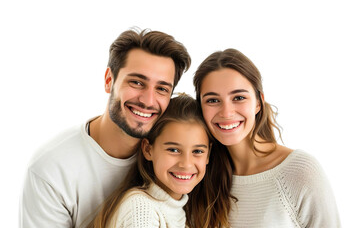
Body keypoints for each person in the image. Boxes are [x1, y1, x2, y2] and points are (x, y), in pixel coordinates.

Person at [19, 28, 191, 228]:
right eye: (136, 82)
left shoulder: (175, 157)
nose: (148, 100)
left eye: (162, 89)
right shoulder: (52, 168)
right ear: (109, 80)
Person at [194, 48, 341, 227]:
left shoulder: (299, 172)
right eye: (212, 100)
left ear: (258, 102)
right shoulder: (199, 175)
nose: (226, 112)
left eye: (239, 97)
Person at [86, 94, 230, 228]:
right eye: (173, 150)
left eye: (197, 151)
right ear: (148, 150)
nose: (186, 164)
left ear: (208, 155)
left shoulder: (180, 211)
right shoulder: (142, 210)